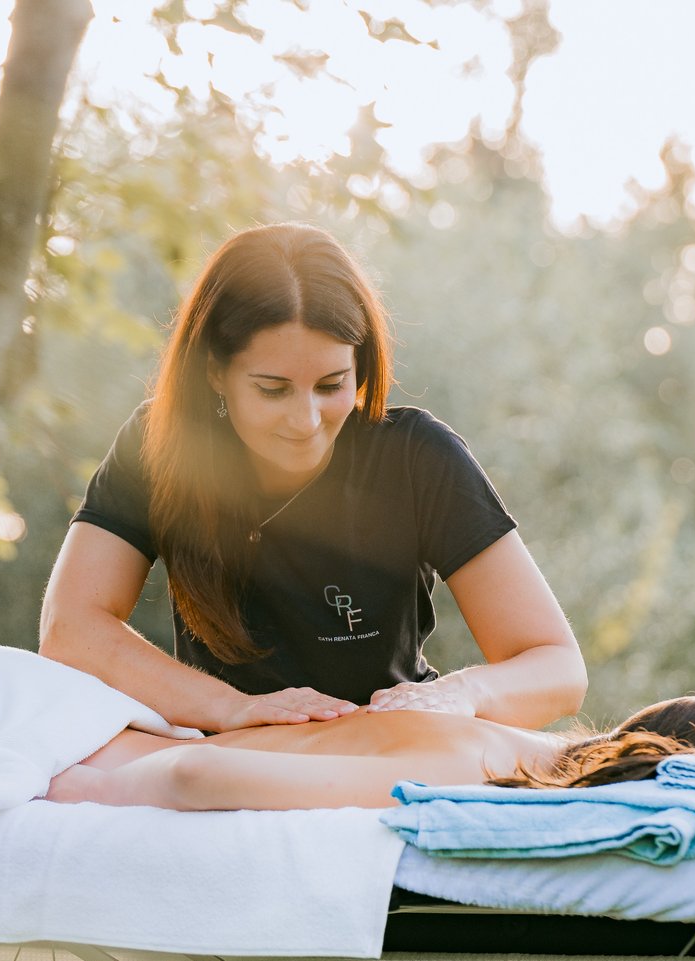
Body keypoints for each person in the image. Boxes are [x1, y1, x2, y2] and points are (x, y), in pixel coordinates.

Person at [39, 222, 586, 733]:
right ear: (214, 373)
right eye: (273, 389)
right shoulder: (159, 444)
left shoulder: (419, 457)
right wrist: (233, 709)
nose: (306, 421)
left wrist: (463, 695)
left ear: (362, 366)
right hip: (231, 754)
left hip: (389, 749)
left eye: (331, 385)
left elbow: (557, 668)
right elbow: (71, 629)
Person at [44, 692, 695, 842]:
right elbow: (206, 780)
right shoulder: (482, 758)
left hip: (86, 733)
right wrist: (84, 790)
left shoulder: (502, 754)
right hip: (60, 737)